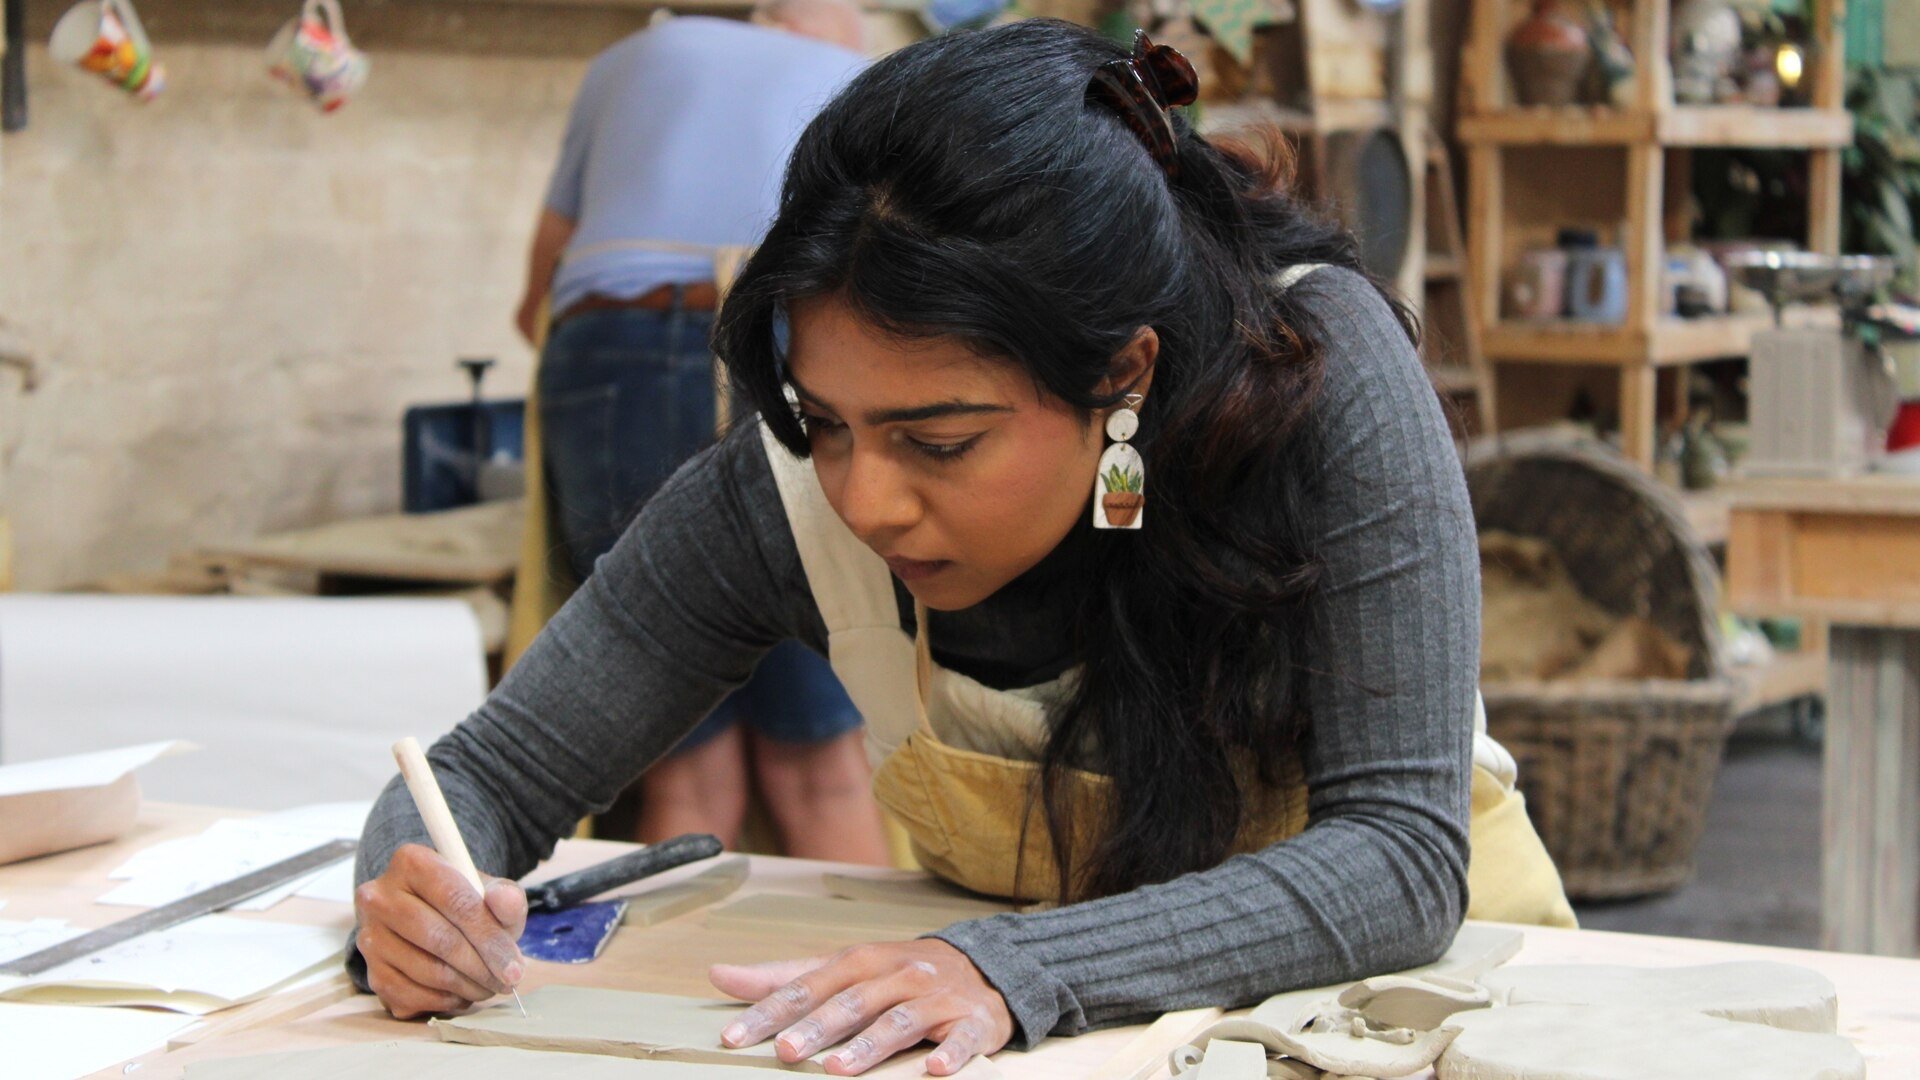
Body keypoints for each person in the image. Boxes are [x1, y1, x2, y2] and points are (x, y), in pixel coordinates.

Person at [354, 19, 1576, 1076]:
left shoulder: (1320, 378)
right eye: (827, 422)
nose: (868, 500)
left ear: (1122, 373)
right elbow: (482, 777)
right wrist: (413, 901)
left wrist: (1011, 964)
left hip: (1448, 1020)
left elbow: (1401, 859)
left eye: (937, 440)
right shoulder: (787, 488)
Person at [510, 0, 886, 859]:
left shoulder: (638, 55)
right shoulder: (866, 89)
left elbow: (535, 302)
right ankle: (882, 988)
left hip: (614, 336)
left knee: (683, 759)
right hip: (794, 347)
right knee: (821, 762)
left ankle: (679, 990)